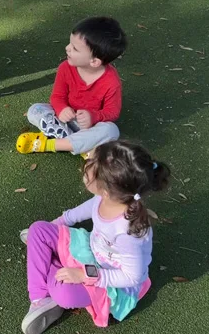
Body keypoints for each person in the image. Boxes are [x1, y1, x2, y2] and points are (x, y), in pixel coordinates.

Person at [20, 140, 168, 333]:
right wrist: (50, 231)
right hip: (90, 251)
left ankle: (48, 272)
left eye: (92, 163)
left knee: (65, 293)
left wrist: (84, 274)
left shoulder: (129, 231)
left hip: (109, 281)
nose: (88, 159)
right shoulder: (108, 197)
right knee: (38, 230)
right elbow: (79, 212)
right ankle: (40, 300)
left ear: (106, 191)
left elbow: (133, 277)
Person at [16, 17, 127, 156]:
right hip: (63, 119)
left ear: (94, 62)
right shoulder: (65, 68)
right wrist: (61, 108)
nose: (67, 48)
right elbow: (57, 96)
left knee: (111, 130)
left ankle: (48, 144)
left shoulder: (111, 81)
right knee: (35, 110)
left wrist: (93, 116)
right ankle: (83, 147)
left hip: (88, 127)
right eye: (70, 43)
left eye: (74, 48)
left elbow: (112, 112)